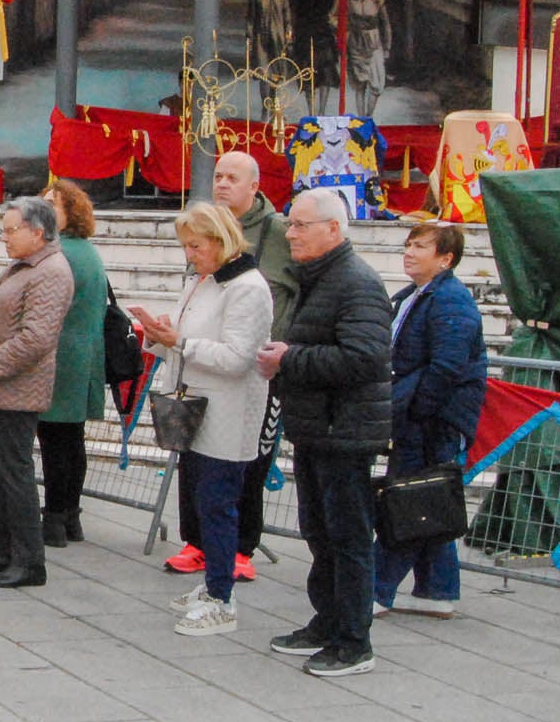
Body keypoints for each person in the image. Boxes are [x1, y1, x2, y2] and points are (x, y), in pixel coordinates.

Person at [257, 188, 393, 677]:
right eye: (290, 225)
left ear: (333, 229)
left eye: (299, 225)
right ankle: (327, 620)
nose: (289, 233)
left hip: (346, 430)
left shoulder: (356, 282)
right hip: (317, 426)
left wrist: (290, 359)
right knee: (319, 532)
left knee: (348, 537)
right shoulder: (319, 278)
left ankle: (354, 641)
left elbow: (366, 357)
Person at [133, 203, 272, 636]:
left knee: (218, 504)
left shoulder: (248, 287)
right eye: (187, 247)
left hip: (227, 412)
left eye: (195, 245)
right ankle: (214, 585)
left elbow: (237, 358)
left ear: (219, 239)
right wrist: (159, 337)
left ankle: (222, 597)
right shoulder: (203, 281)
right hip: (193, 408)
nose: (190, 254)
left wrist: (180, 341)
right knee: (201, 501)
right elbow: (184, 340)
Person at [166, 151, 298, 579]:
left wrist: (288, 345)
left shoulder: (276, 235)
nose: (221, 184)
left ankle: (241, 547)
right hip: (199, 378)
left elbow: (300, 290)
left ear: (254, 187)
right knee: (194, 462)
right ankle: (196, 541)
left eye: (232, 178)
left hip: (255, 370)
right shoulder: (203, 242)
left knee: (248, 462)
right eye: (217, 176)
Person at [0, 195, 73, 589]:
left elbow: (36, 338)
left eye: (10, 230)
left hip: (13, 390)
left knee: (14, 474)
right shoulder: (25, 265)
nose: (4, 237)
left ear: (37, 232)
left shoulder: (51, 272)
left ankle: (29, 560)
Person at [374, 222, 486, 618]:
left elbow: (448, 365)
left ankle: (378, 588)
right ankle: (438, 591)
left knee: (409, 501)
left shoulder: (451, 299)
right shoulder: (414, 295)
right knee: (430, 499)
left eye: (420, 246)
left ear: (445, 258)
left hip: (434, 419)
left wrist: (419, 408)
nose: (409, 252)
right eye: (408, 244)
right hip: (416, 413)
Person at [37, 179, 108, 548]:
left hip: (61, 356)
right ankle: (69, 516)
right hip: (82, 355)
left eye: (53, 205)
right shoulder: (87, 251)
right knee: (70, 440)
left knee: (54, 442)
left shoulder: (62, 253)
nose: (45, 211)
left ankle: (54, 519)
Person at [345, 0, 391, 117]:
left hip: (373, 41)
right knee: (360, 84)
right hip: (356, 42)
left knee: (377, 84)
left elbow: (386, 23)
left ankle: (368, 116)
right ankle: (361, 120)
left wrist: (387, 45)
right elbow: (335, 17)